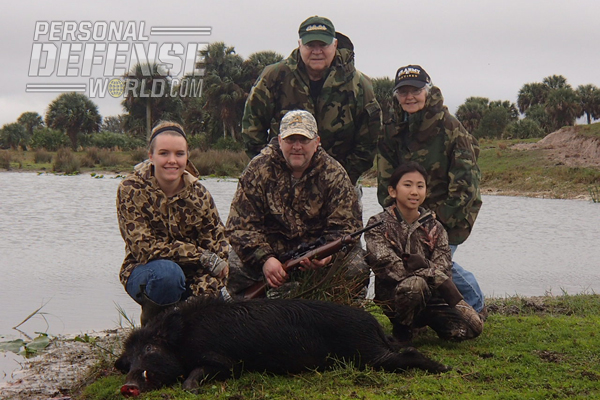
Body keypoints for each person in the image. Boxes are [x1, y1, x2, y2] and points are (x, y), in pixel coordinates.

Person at [376, 65, 486, 315]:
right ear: (396, 96)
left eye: (415, 90)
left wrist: (438, 222)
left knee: (438, 265)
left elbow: (466, 182)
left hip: (451, 213)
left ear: (427, 91)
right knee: (408, 261)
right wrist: (394, 215)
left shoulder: (450, 127)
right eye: (403, 92)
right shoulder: (391, 129)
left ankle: (475, 304)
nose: (409, 97)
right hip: (408, 211)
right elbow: (385, 178)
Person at [226, 110, 368, 298]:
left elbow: (348, 228)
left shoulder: (335, 174)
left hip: (316, 256)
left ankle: (336, 311)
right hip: (273, 254)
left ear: (317, 142)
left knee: (357, 267)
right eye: (291, 140)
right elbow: (239, 229)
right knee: (234, 265)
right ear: (280, 140)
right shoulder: (257, 170)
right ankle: (253, 314)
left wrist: (327, 256)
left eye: (304, 140)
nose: (297, 147)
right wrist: (266, 259)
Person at [241, 15, 381, 186]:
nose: (317, 51)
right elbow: (252, 127)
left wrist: (342, 177)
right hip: (281, 181)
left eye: (323, 45)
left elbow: (368, 141)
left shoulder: (360, 85)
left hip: (340, 182)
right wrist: (270, 170)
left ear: (335, 45)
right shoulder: (274, 77)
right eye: (310, 45)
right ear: (300, 44)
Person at [116, 121, 229, 325]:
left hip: (194, 276)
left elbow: (218, 248)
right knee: (168, 275)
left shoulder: (200, 194)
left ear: (187, 156)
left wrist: (201, 297)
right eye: (164, 153)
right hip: (146, 271)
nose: (172, 161)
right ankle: (152, 330)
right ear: (151, 156)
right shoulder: (130, 189)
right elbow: (144, 248)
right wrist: (201, 256)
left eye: (179, 154)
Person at [365, 162, 483, 343]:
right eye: (407, 185)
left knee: (470, 328)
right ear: (392, 191)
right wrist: (431, 273)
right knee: (414, 285)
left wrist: (426, 268)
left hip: (431, 297)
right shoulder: (377, 225)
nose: (414, 191)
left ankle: (424, 323)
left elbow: (444, 268)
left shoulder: (436, 227)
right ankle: (402, 330)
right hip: (395, 295)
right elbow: (388, 265)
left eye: (420, 186)